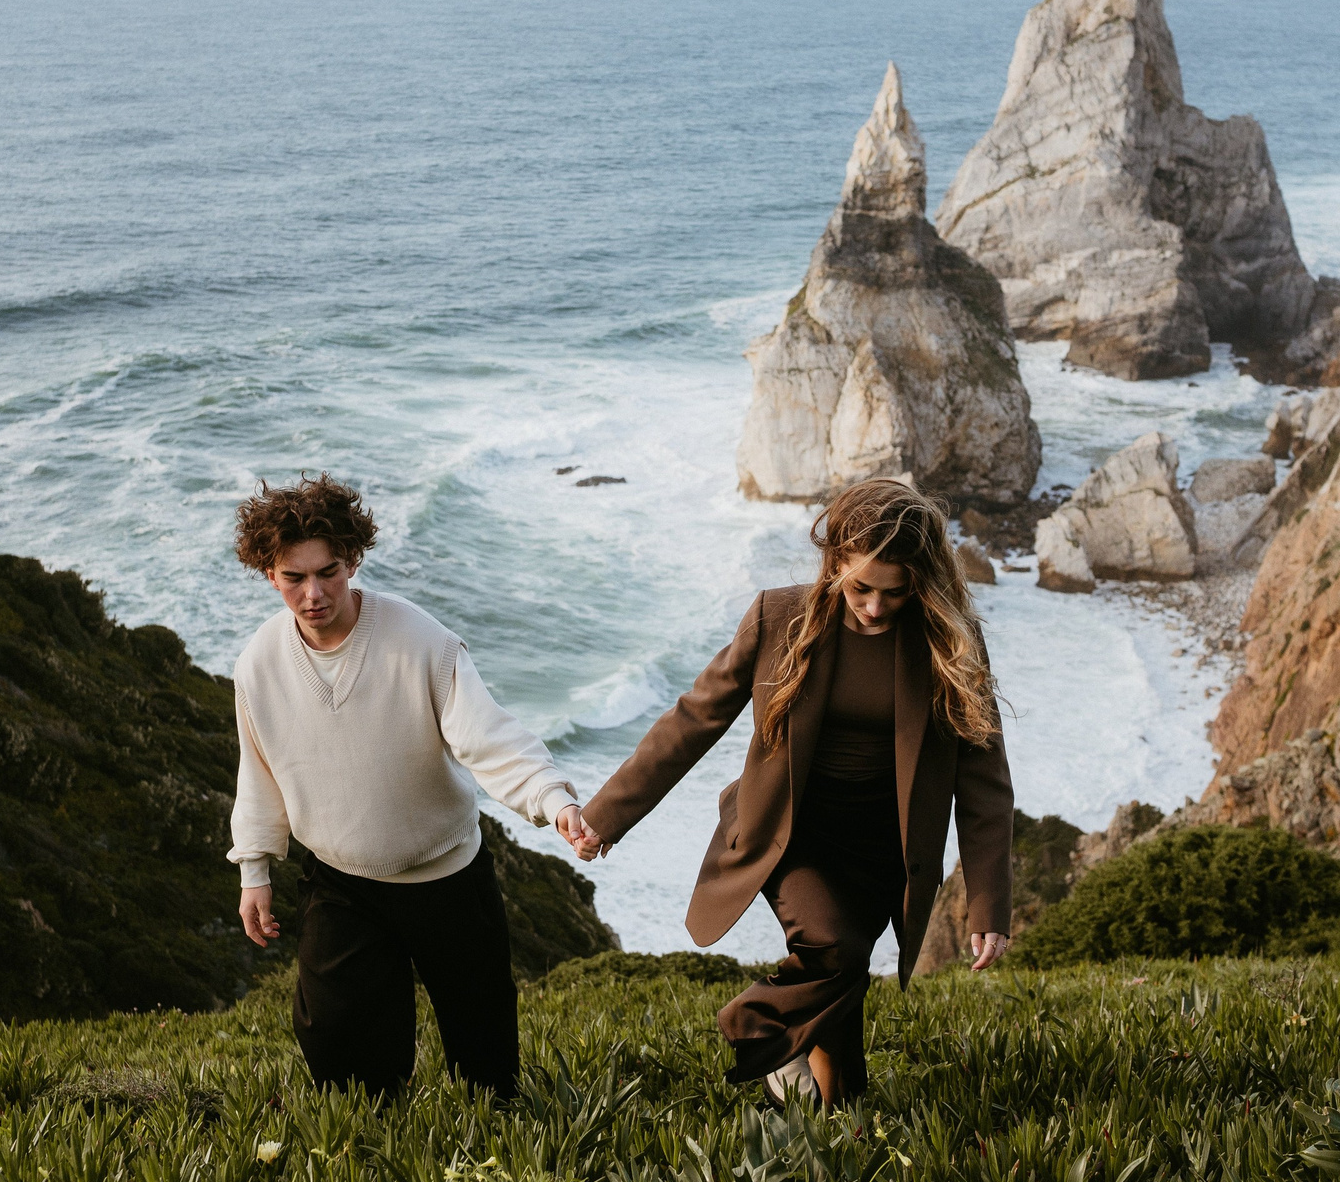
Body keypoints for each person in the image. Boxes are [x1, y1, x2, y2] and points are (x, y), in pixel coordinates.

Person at [570, 478, 1015, 1106]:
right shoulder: (777, 618)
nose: (874, 607)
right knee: (832, 948)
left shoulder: (950, 641)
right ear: (833, 562)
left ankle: (840, 1118)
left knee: (844, 982)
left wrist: (989, 903)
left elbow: (985, 780)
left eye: (895, 591)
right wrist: (604, 817)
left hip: (885, 847)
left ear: (921, 579)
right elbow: (693, 719)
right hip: (792, 833)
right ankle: (760, 1029)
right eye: (860, 587)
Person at [226, 474, 593, 1101]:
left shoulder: (422, 640)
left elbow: (488, 736)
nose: (313, 593)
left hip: (446, 878)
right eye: (294, 577)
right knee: (341, 1057)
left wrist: (553, 799)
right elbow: (258, 772)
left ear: (353, 559)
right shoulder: (258, 663)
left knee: (485, 1059)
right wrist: (254, 870)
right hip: (340, 883)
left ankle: (498, 1161)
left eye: (328, 571)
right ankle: (379, 1163)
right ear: (270, 574)